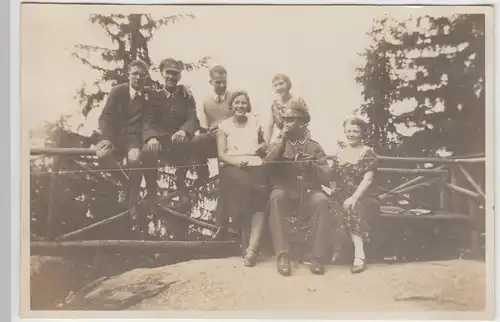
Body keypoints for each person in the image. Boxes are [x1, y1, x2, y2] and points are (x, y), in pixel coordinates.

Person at [264, 101, 334, 276]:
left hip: (309, 191)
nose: (286, 123)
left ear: (303, 122)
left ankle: (317, 256)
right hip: (286, 190)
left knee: (322, 201)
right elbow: (267, 165)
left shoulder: (314, 146)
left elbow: (327, 175)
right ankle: (283, 255)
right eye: (285, 119)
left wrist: (313, 166)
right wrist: (282, 141)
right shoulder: (279, 143)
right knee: (276, 197)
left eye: (291, 119)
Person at [96, 59, 155, 219]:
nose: (138, 78)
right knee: (102, 156)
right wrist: (107, 137)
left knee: (135, 158)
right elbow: (106, 116)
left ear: (146, 78)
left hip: (133, 137)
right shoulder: (117, 91)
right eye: (135, 74)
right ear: (128, 75)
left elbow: (148, 121)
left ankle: (132, 202)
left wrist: (149, 138)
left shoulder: (148, 95)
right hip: (114, 136)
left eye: (142, 75)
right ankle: (126, 182)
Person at [216, 90, 268, 267]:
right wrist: (237, 163)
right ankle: (244, 243)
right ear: (231, 106)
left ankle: (252, 249)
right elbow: (221, 154)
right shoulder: (224, 126)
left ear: (248, 105)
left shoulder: (254, 122)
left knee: (261, 199)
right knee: (243, 192)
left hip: (255, 165)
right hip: (233, 167)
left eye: (243, 103)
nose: (240, 106)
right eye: (237, 103)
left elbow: (263, 143)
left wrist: (261, 147)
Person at [142, 58, 201, 205]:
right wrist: (151, 137)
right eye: (168, 73)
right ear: (162, 73)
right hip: (159, 139)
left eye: (175, 74)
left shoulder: (186, 97)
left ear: (180, 76)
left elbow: (193, 119)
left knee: (188, 142)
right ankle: (151, 191)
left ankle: (181, 184)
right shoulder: (153, 96)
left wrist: (184, 130)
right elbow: (147, 120)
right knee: (147, 150)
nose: (171, 77)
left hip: (178, 140)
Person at [330, 116, 380, 274]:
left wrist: (354, 197)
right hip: (342, 195)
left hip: (364, 197)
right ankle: (333, 250)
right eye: (348, 131)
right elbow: (333, 177)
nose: (351, 134)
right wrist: (331, 190)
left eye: (355, 131)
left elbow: (368, 179)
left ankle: (359, 255)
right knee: (327, 205)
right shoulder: (340, 154)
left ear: (362, 133)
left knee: (352, 207)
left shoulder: (368, 152)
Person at [191, 65, 234, 186]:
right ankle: (202, 174)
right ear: (211, 82)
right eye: (218, 82)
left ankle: (227, 177)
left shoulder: (234, 98)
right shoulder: (205, 101)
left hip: (231, 138)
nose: (222, 86)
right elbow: (203, 126)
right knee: (197, 140)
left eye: (224, 82)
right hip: (213, 138)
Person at [263, 74, 309, 145]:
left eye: (281, 83)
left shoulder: (298, 100)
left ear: (288, 84)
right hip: (283, 140)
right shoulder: (274, 106)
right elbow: (270, 127)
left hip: (300, 140)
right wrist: (266, 145)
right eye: (275, 85)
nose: (278, 87)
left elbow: (306, 120)